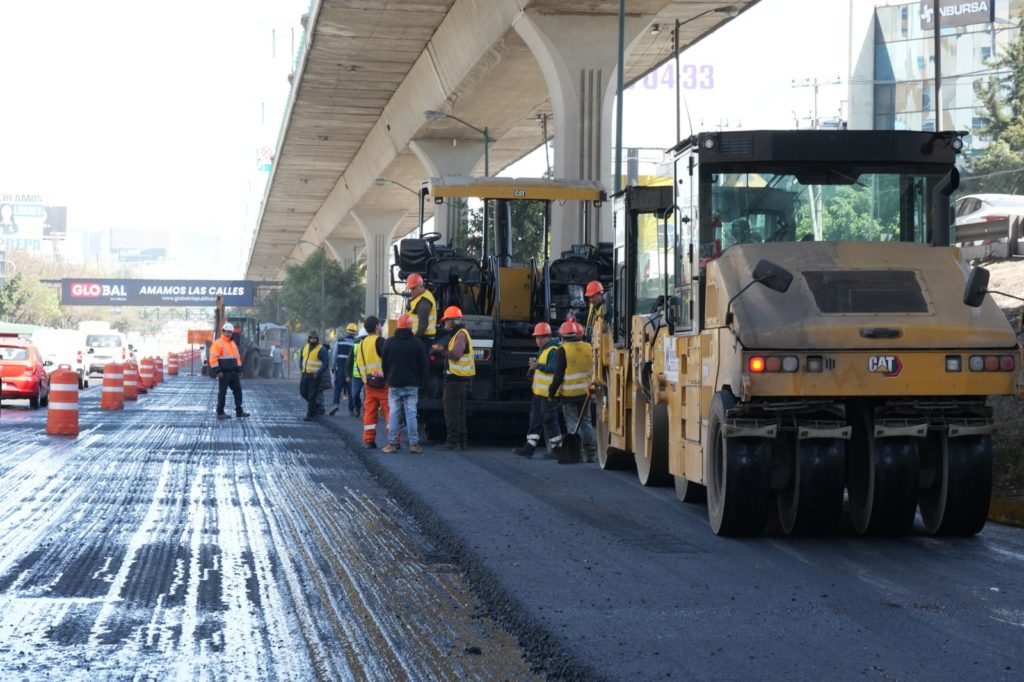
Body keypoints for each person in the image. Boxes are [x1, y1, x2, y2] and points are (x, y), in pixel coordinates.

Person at [512, 322, 563, 458]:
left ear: (548, 336)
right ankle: (529, 447)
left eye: (541, 337)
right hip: (539, 393)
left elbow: (554, 369)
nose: (538, 340)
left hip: (548, 393)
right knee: (535, 419)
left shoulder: (553, 350)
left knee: (549, 420)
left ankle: (557, 449)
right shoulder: (545, 349)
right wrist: (533, 372)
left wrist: (538, 366)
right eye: (536, 337)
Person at [381, 314, 428, 454]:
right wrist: (422, 382)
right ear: (410, 326)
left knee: (394, 413)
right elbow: (423, 366)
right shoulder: (417, 343)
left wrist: (388, 378)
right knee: (411, 413)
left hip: (394, 384)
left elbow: (384, 365)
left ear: (398, 326)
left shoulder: (389, 342)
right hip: (412, 384)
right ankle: (414, 444)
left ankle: (391, 444)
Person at [550, 321, 596, 464]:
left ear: (562, 336)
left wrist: (551, 393)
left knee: (573, 424)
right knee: (586, 422)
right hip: (587, 392)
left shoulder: (562, 350)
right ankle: (590, 454)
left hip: (569, 395)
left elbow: (558, 376)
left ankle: (576, 454)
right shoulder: (589, 347)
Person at [432, 305, 475, 450]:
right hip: (461, 379)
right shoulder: (459, 334)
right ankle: (462, 441)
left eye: (446, 321)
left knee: (451, 410)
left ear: (452, 321)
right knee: (459, 410)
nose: (445, 324)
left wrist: (441, 350)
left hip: (456, 380)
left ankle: (452, 441)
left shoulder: (460, 334)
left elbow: (456, 355)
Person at [355, 316, 389, 449]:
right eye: (380, 325)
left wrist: (365, 379)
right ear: (376, 327)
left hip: (368, 384)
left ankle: (368, 440)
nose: (381, 327)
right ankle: (393, 440)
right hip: (383, 384)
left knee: (369, 412)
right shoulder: (380, 341)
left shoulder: (361, 344)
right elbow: (388, 358)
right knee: (389, 411)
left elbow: (359, 364)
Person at [209, 322, 250, 420]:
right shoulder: (218, 343)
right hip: (223, 373)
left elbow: (237, 358)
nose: (229, 334)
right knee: (222, 393)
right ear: (223, 331)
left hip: (233, 372)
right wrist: (218, 371)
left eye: (230, 332)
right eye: (227, 332)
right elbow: (213, 358)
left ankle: (239, 411)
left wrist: (239, 369)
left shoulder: (232, 344)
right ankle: (220, 412)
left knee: (238, 391)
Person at [299, 330, 330, 421]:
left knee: (312, 395)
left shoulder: (321, 349)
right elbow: (301, 358)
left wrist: (318, 373)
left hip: (314, 376)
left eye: (315, 338)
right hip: (305, 374)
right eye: (311, 338)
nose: (313, 340)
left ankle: (310, 414)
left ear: (317, 339)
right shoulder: (305, 347)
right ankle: (316, 405)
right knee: (303, 392)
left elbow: (325, 363)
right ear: (309, 339)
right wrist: (301, 368)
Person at [329, 323, 358, 415]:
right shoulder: (357, 343)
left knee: (338, 388)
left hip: (340, 368)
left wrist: (333, 367)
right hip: (351, 370)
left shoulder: (340, 341)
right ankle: (351, 410)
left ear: (347, 331)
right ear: (355, 332)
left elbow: (334, 355)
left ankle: (335, 405)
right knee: (350, 390)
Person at [405, 273, 437, 350]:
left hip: (423, 337)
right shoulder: (423, 295)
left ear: (421, 286)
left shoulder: (424, 302)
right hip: (423, 337)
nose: (411, 291)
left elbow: (423, 325)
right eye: (410, 288)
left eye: (414, 288)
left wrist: (415, 339)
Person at [347, 327, 367, 417]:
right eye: (362, 338)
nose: (363, 340)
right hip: (357, 376)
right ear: (359, 338)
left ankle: (366, 413)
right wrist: (347, 375)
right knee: (354, 394)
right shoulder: (355, 346)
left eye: (365, 338)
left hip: (368, 376)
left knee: (368, 397)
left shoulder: (371, 346)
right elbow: (349, 361)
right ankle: (357, 407)